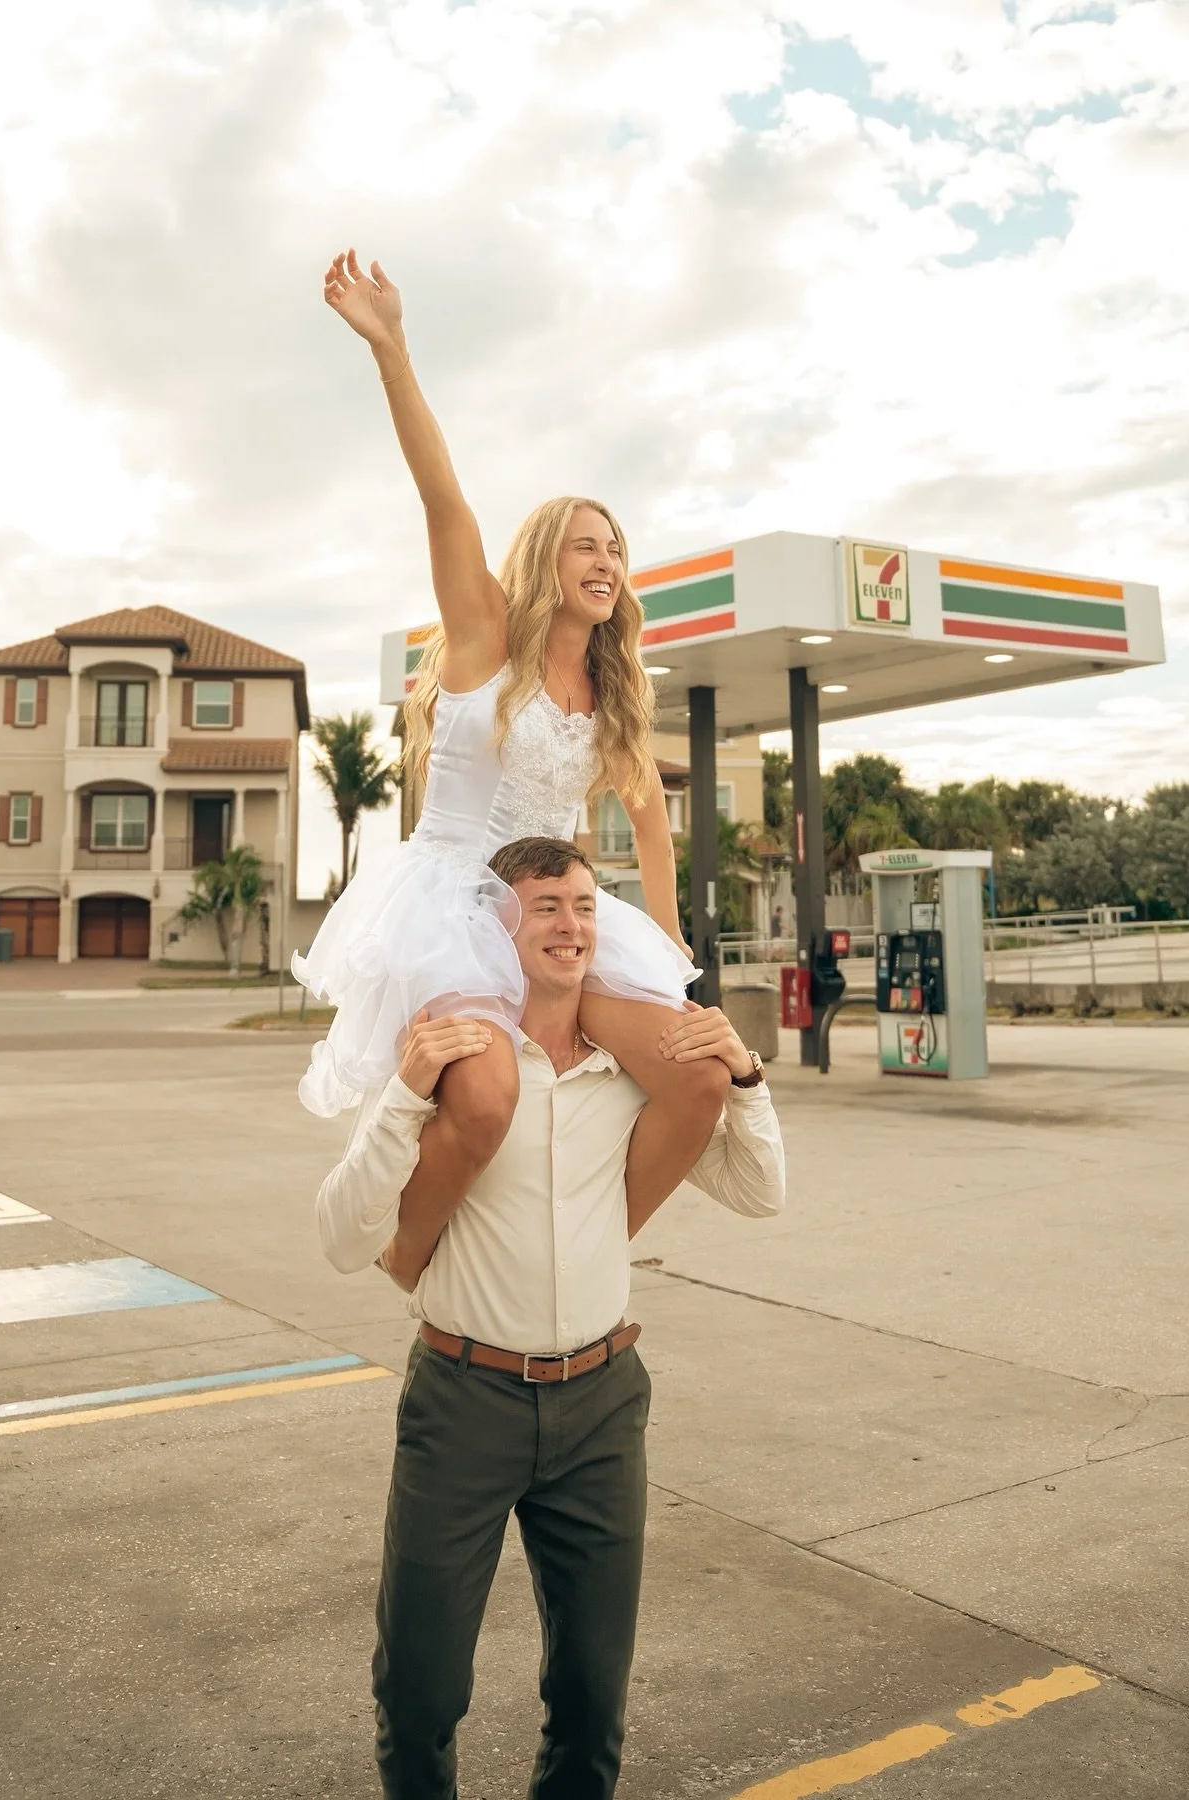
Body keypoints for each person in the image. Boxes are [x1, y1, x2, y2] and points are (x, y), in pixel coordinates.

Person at [318, 836, 786, 1800]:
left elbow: (760, 1193)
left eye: (584, 906)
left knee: (589, 1695)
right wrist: (402, 1096)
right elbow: (339, 1237)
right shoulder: (456, 1070)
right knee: (420, 1688)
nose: (570, 926)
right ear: (497, 927)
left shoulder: (627, 1081)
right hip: (464, 1403)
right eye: (545, 906)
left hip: (603, 1406)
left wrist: (745, 1078)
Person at [293, 246, 730, 1229]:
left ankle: (579, 1250)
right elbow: (440, 494)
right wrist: (391, 349)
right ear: (546, 559)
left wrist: (666, 943)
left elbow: (652, 821)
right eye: (586, 543)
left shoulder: (613, 690)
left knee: (694, 1079)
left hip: (554, 907)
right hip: (449, 905)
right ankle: (409, 1246)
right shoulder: (487, 634)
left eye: (616, 547)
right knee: (487, 1099)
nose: (607, 560)